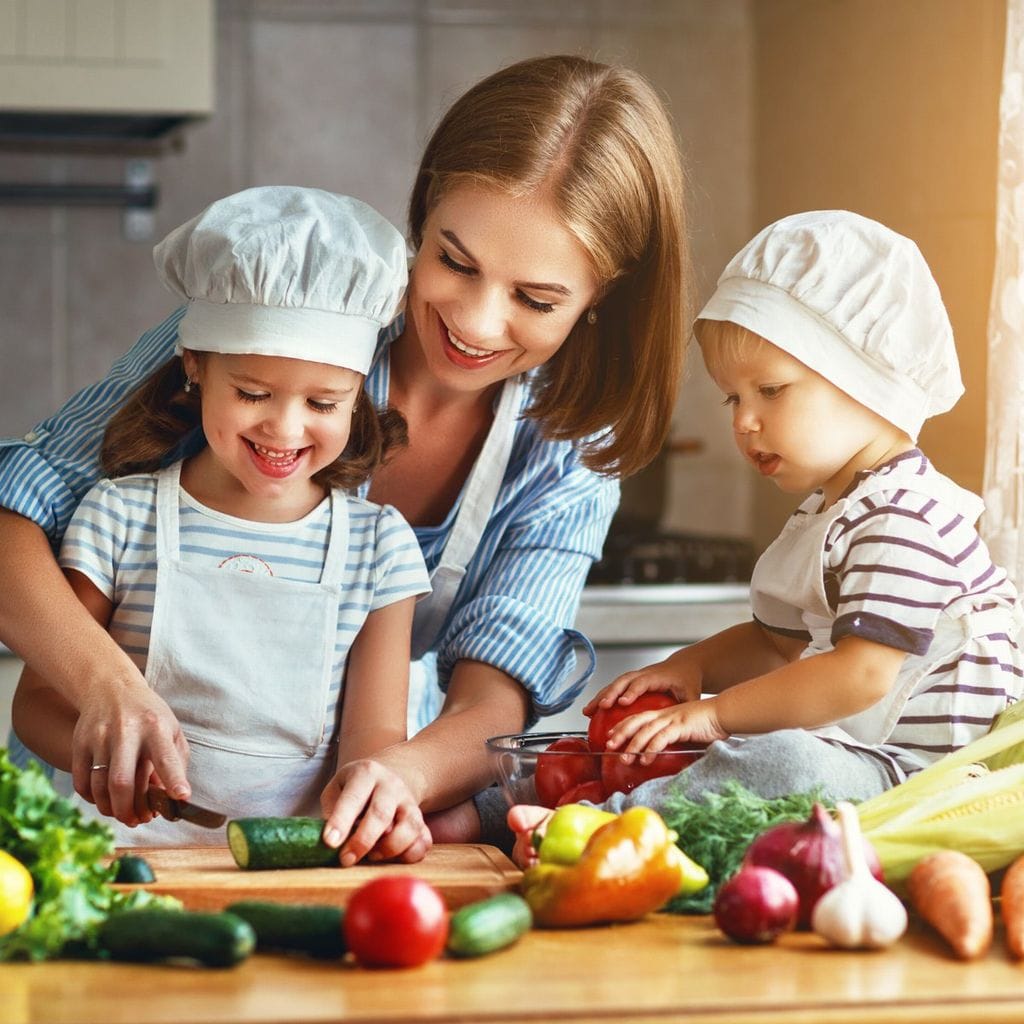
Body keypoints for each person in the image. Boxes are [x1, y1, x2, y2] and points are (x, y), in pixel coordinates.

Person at [0, 55, 690, 862]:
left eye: (535, 299)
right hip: (95, 824)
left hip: (307, 836)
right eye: (454, 262)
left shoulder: (566, 453)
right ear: (423, 212)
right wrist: (107, 690)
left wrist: (396, 778)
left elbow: (489, 703)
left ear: (602, 293)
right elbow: (15, 515)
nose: (473, 320)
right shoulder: (281, 317)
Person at [510, 210, 1023, 863]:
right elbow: (774, 646)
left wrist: (718, 715)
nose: (745, 422)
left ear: (865, 377)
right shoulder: (833, 512)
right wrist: (688, 667)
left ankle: (597, 829)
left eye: (771, 391)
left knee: (774, 756)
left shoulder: (907, 518)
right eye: (733, 399)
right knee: (727, 749)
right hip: (859, 758)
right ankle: (508, 806)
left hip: (918, 781)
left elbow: (861, 675)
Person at [11, 187, 433, 852]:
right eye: (253, 393)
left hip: (289, 868)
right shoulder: (120, 517)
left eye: (324, 401)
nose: (284, 428)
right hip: (124, 857)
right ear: (195, 366)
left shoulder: (379, 549)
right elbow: (37, 706)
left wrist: (373, 797)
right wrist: (107, 759)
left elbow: (374, 738)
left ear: (358, 395)